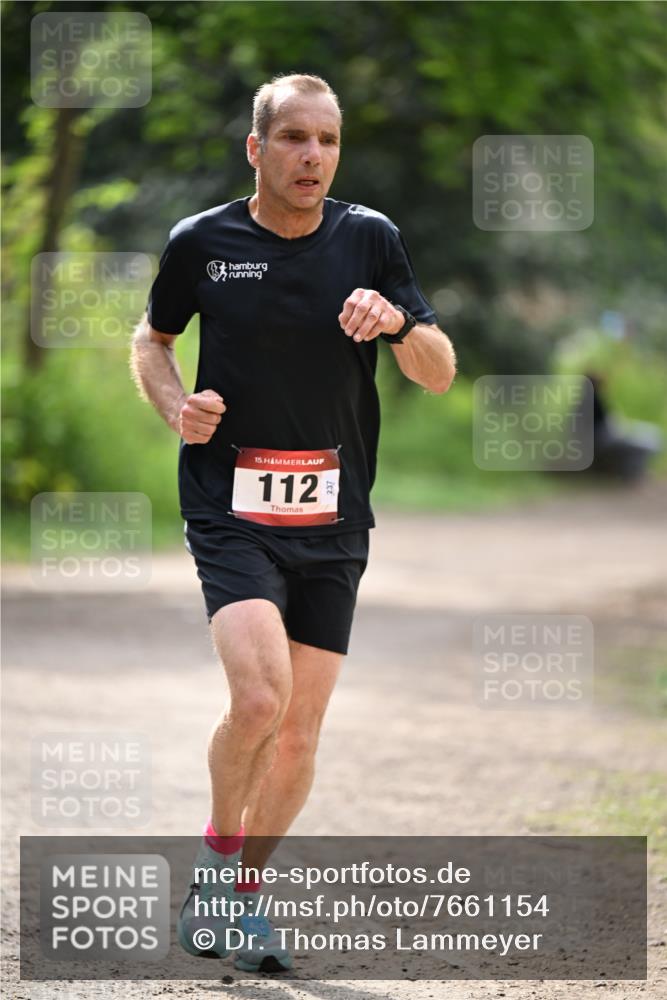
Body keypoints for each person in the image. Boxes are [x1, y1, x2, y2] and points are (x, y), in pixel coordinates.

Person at [130, 72, 456, 974]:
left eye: (327, 141)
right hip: (230, 506)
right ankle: (218, 857)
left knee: (300, 732)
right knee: (261, 699)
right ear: (256, 149)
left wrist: (395, 323)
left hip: (335, 515)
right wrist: (173, 407)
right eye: (294, 139)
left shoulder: (370, 241)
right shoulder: (202, 242)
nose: (312, 156)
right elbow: (150, 340)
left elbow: (436, 368)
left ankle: (236, 897)